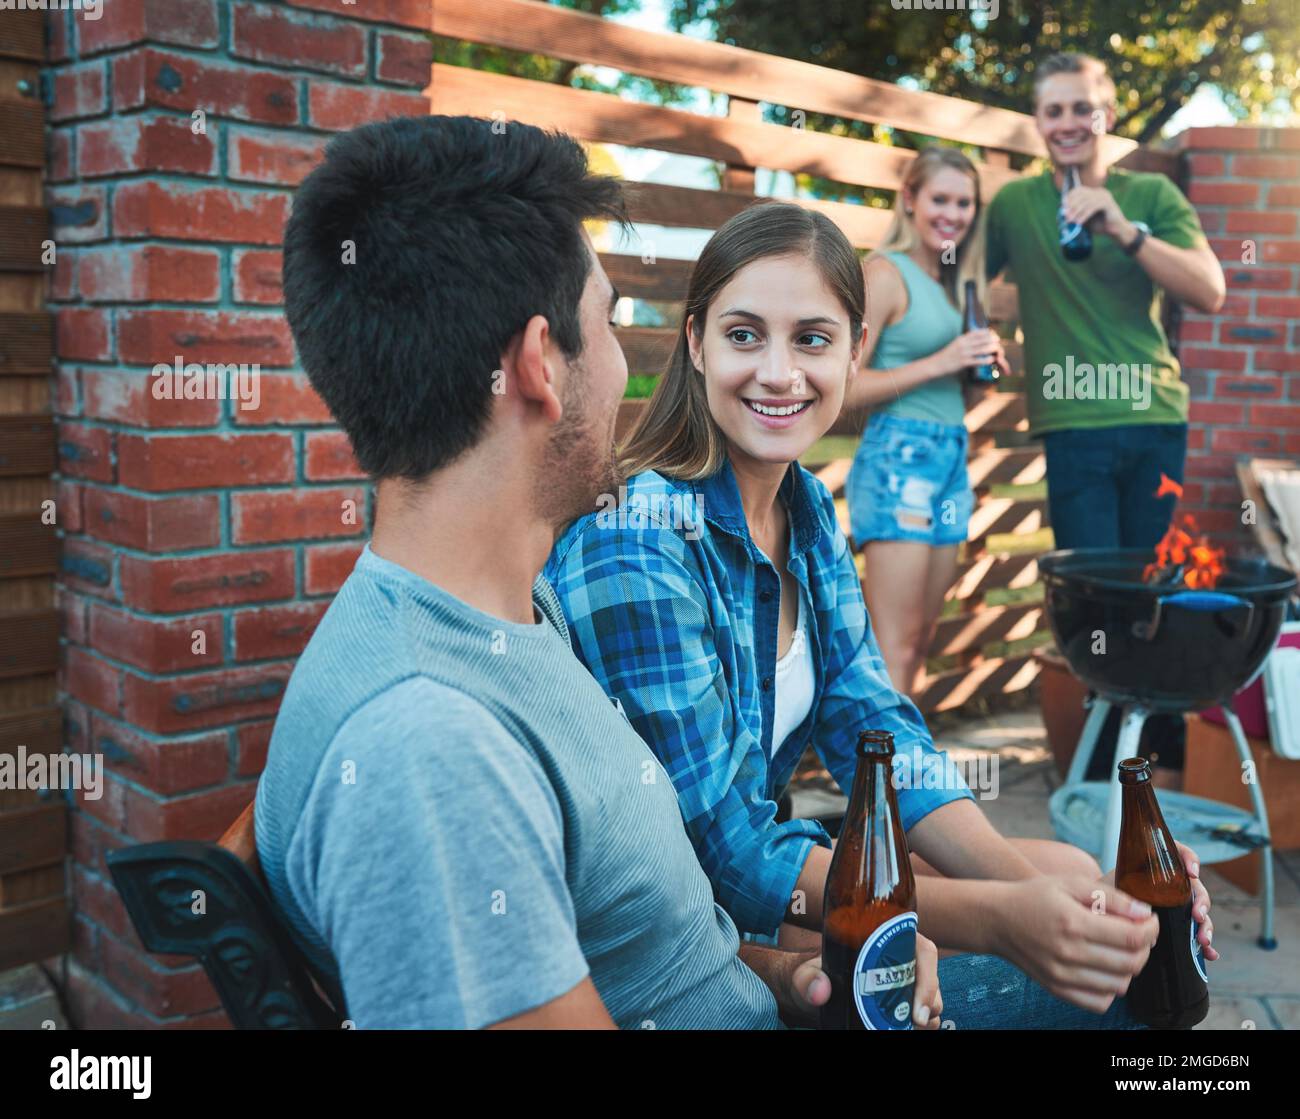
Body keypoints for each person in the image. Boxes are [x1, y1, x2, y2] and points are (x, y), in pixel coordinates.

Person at [546, 199, 1216, 1025]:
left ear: (856, 350)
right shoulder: (638, 539)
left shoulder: (806, 509)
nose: (780, 373)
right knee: (1107, 991)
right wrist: (1003, 922)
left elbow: (875, 722)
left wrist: (1033, 887)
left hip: (750, 904)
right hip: (671, 953)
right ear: (695, 342)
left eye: (813, 339)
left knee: (1087, 882)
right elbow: (725, 848)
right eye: (745, 334)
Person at [257, 115, 851, 1029]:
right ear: (540, 364)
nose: (623, 365)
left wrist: (772, 973)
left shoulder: (510, 609)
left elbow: (631, 944)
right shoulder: (428, 749)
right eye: (608, 322)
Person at [984, 52, 1226, 782]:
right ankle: (1106, 763)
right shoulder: (1015, 206)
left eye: (1080, 109)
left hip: (1153, 419)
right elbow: (970, 281)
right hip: (1073, 426)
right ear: (1038, 122)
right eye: (1052, 110)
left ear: (1106, 116)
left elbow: (1210, 289)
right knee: (1093, 597)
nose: (1067, 123)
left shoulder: (1148, 192)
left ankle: (1148, 753)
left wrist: (1126, 228)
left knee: (1150, 588)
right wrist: (988, 325)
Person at [842, 147, 1008, 696]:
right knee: (894, 644)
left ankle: (898, 773)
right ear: (910, 199)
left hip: (949, 459)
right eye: (940, 199)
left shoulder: (951, 281)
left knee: (920, 643)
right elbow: (841, 386)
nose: (953, 214)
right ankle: (879, 780)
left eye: (964, 203)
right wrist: (944, 360)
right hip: (898, 460)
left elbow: (944, 379)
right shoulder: (885, 273)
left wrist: (978, 370)